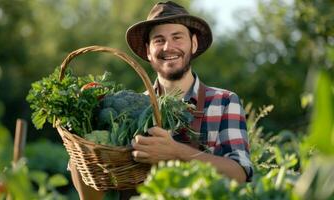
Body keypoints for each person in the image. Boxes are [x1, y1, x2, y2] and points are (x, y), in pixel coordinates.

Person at [70, 1, 253, 199]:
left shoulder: (224, 102)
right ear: (148, 51)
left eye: (177, 37)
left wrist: (176, 152)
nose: (168, 47)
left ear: (194, 43)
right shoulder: (127, 112)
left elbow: (239, 173)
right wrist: (81, 152)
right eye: (159, 40)